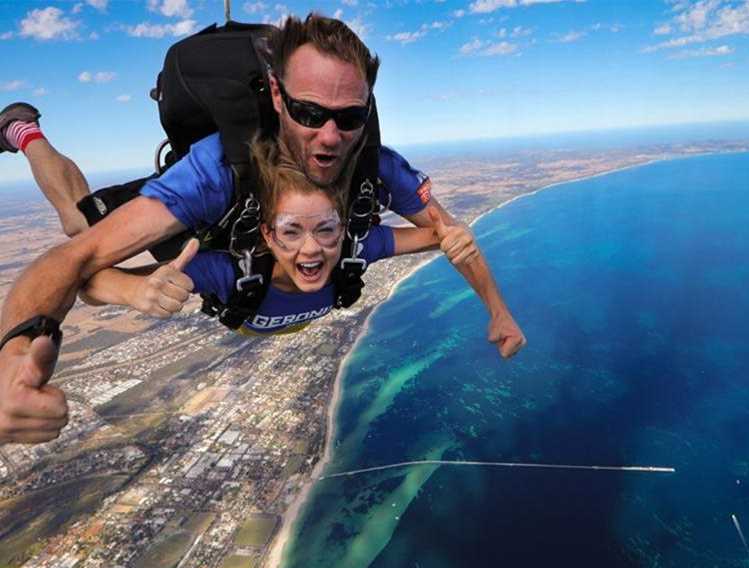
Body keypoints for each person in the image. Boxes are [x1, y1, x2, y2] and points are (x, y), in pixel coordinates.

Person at [0, 14, 526, 443]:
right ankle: (23, 131)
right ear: (276, 96)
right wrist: (15, 355)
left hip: (242, 272)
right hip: (202, 233)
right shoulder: (216, 175)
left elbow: (449, 234)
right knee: (77, 223)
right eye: (307, 110)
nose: (329, 136)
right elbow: (73, 267)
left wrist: (498, 310)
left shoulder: (373, 167)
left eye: (349, 117)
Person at [84, 137, 481, 335]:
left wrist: (457, 241)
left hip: (252, 312)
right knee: (78, 226)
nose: (311, 248)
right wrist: (131, 291)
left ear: (343, 230)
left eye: (326, 230)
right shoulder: (227, 272)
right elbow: (88, 281)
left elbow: (438, 235)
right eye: (292, 232)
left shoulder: (355, 249)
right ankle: (26, 132)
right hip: (219, 261)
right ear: (268, 237)